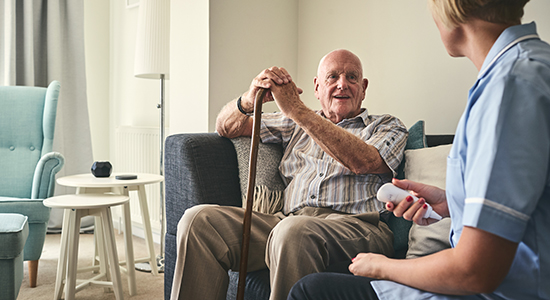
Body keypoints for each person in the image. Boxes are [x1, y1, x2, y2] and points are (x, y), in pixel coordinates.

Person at [287, 1, 550, 300]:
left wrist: (383, 267)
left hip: (504, 292)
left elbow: (475, 271)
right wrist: (452, 203)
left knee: (311, 292)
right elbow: (524, 198)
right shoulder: (524, 69)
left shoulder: (510, 88)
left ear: (452, 9)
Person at [169, 49, 408, 300]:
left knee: (294, 231)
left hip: (357, 227)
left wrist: (297, 109)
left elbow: (364, 161)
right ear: (317, 87)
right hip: (287, 221)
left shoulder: (386, 125)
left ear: (363, 87)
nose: (342, 84)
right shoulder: (293, 125)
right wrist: (249, 100)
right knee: (198, 221)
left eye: (352, 77)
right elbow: (227, 126)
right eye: (333, 77)